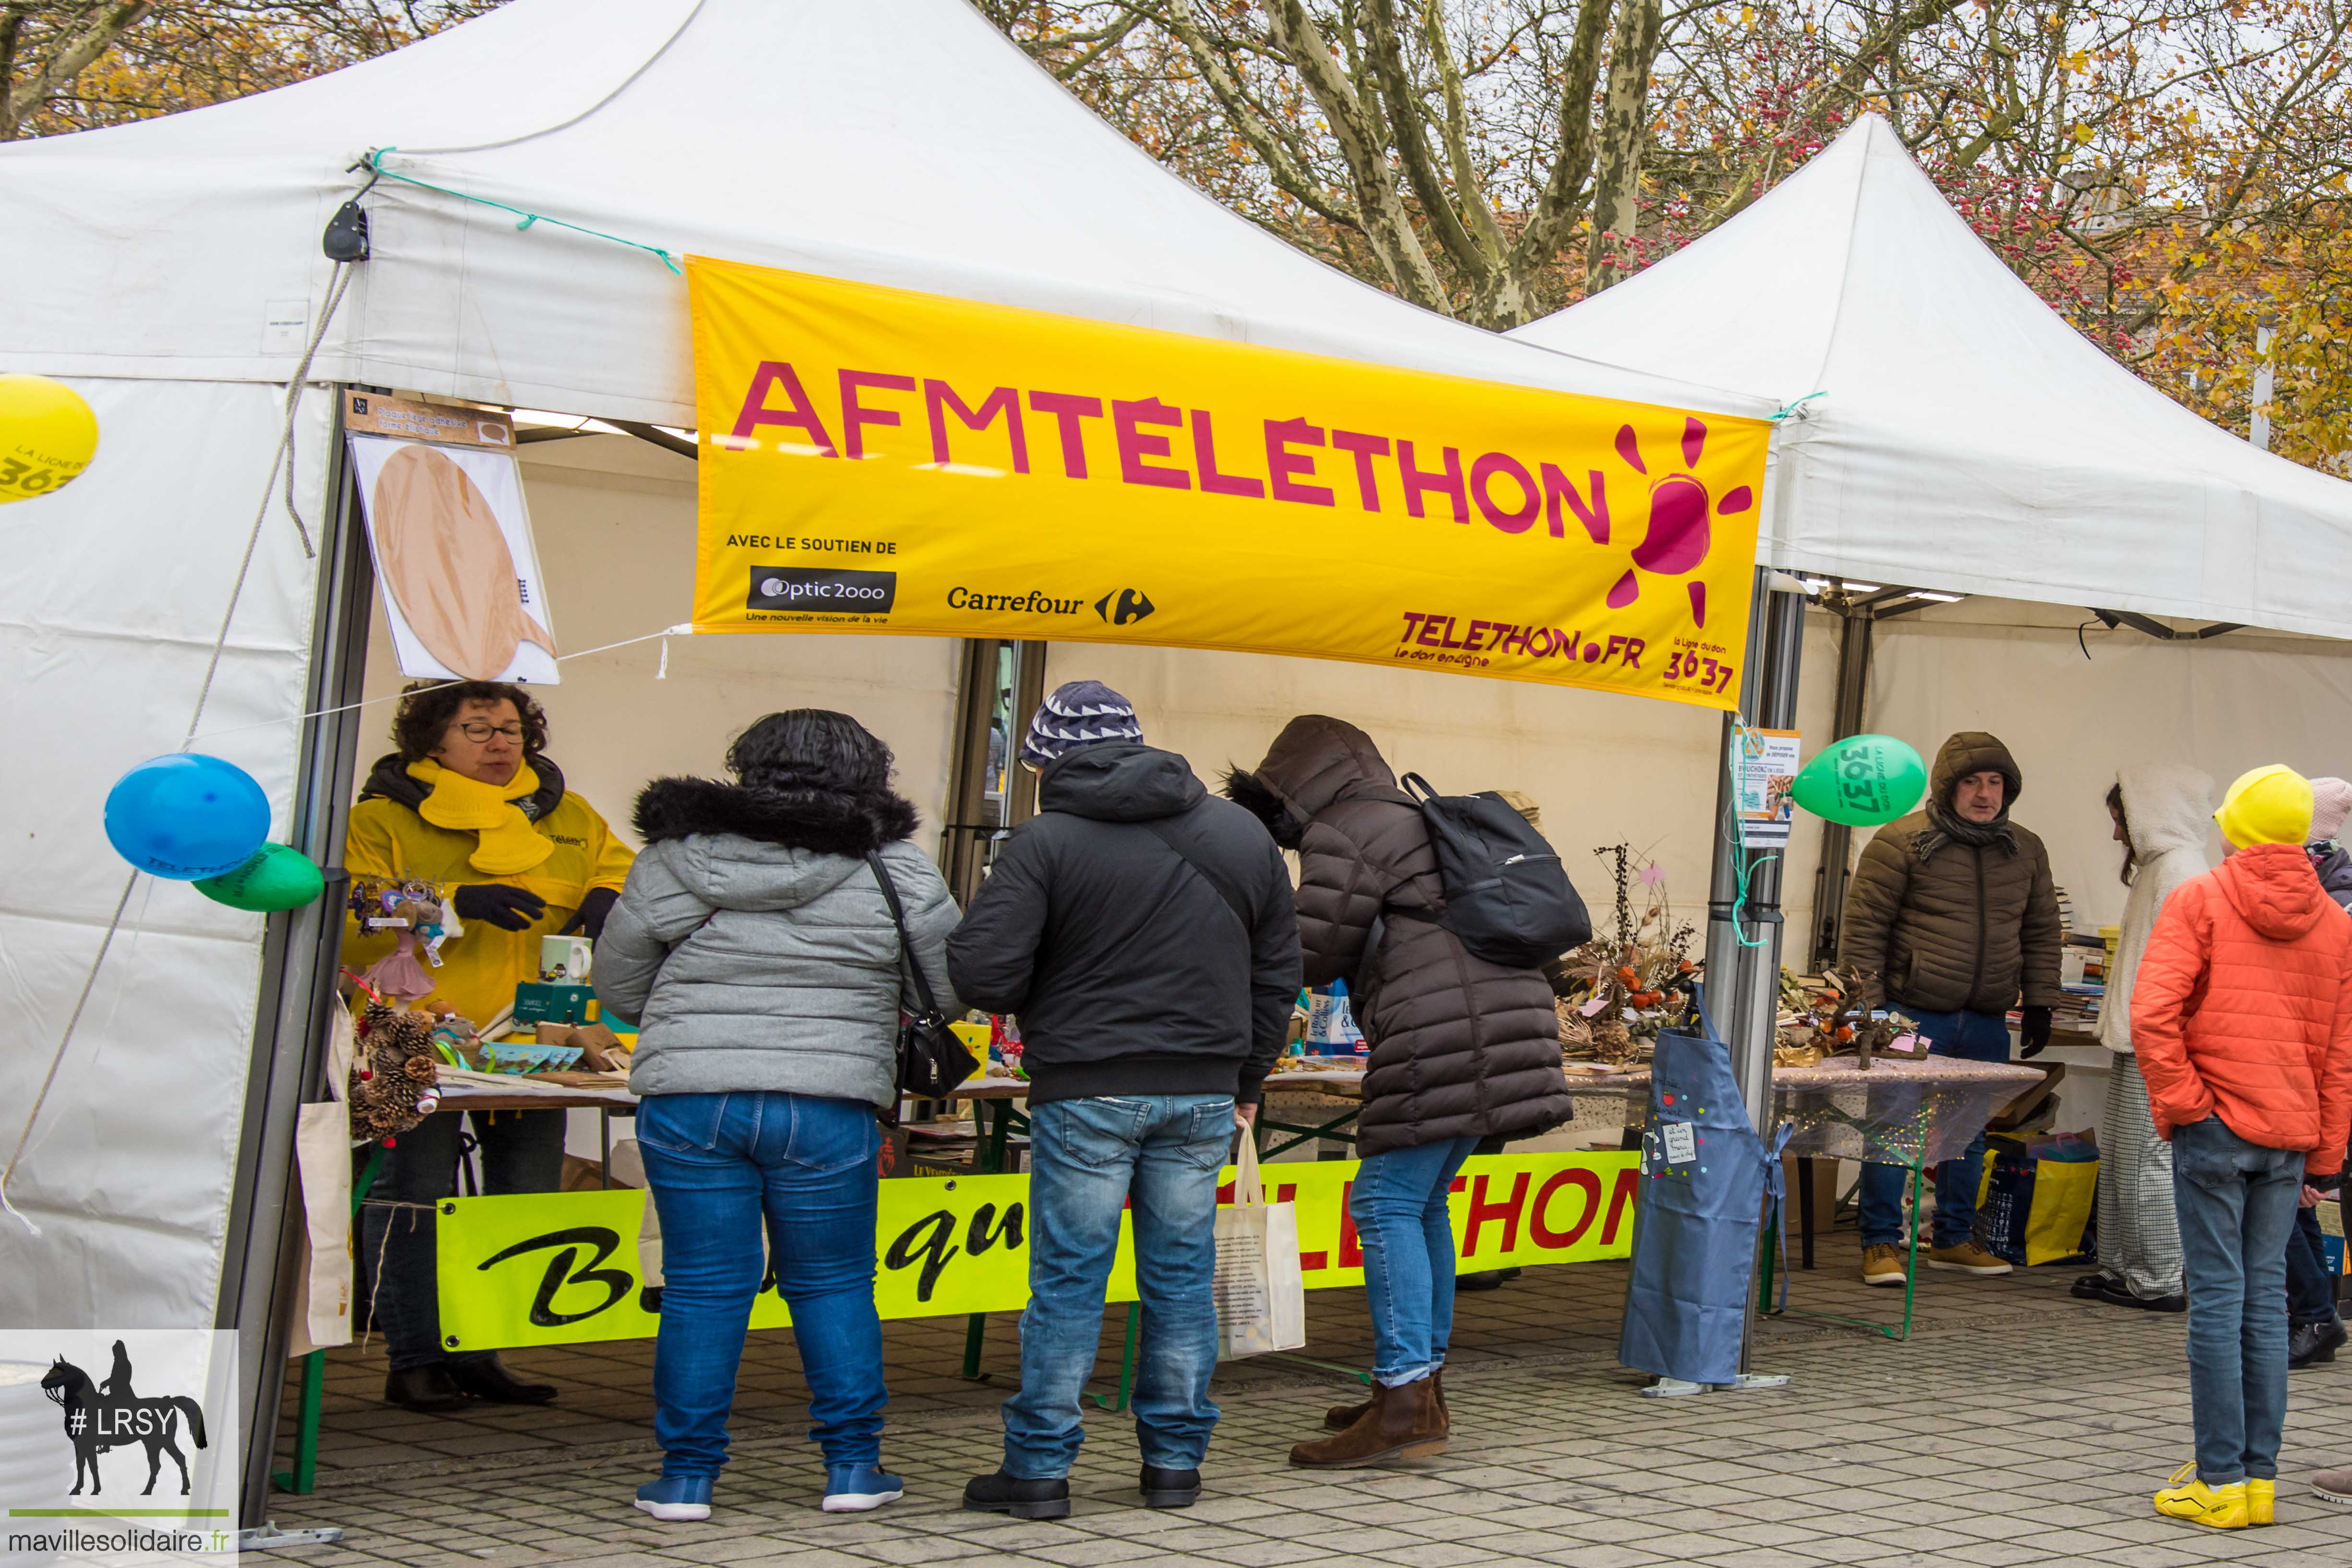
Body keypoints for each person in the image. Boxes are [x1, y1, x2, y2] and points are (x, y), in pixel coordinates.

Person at [593, 710, 958, 1522]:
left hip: (690, 1098)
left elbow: (617, 992)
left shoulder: (670, 860)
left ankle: (686, 1478)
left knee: (701, 1289)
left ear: (746, 768)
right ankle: (853, 1468)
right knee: (831, 1285)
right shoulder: (897, 869)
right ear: (870, 773)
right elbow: (947, 988)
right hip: (827, 1104)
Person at [947, 681, 1299, 1520]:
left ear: (1041, 760)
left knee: (1068, 1282)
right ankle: (1174, 1464)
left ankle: (1037, 1473)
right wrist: (1244, 1084)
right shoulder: (1239, 832)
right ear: (1140, 743)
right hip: (1201, 1091)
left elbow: (984, 975)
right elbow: (1277, 972)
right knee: (1177, 1282)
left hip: (1085, 1089)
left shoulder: (1043, 842)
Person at [1226, 716, 1573, 1469]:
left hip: (1443, 1032)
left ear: (1292, 784)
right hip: (1502, 1021)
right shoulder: (1417, 813)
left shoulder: (1345, 828)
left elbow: (1313, 949)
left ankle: (1403, 1398)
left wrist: (1251, 914)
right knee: (1420, 1204)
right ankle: (1419, 1386)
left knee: (1382, 1204)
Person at [345, 680, 634, 1413]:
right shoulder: (379, 817)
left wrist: (611, 896)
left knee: (520, 1199)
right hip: (402, 1035)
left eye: (510, 728)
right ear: (431, 743)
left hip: (537, 1038)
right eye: (477, 729)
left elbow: (627, 869)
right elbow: (347, 910)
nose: (501, 742)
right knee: (410, 1198)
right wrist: (446, 905)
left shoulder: (566, 813)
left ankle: (478, 1350)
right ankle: (412, 1357)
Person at [2135, 764, 2352, 1531]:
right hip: (2288, 1137)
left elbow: (2152, 1015)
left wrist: (2186, 1106)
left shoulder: (2199, 897)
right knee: (2264, 1306)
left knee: (2218, 1304)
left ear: (2234, 825)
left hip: (2216, 1131)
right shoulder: (2335, 922)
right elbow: (2337, 1057)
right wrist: (2324, 1160)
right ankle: (2254, 1481)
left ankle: (2218, 1479)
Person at [1838, 731, 2062, 1286]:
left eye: (1995, 783)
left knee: (1969, 1130)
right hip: (1912, 1012)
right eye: (1972, 782)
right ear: (1946, 786)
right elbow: (1864, 930)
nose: (1985, 794)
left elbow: (2041, 930)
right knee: (1892, 1126)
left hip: (1985, 1016)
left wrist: (2040, 1001)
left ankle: (1955, 1239)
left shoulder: (2026, 847)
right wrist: (1870, 1011)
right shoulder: (1900, 841)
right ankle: (1880, 1243)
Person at [2075, 765, 2211, 1313]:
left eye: (2120, 821)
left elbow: (2186, 971)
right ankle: (2124, 1265)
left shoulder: (2180, 872)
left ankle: (2155, 1276)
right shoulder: (2164, 868)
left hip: (2156, 1042)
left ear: (2147, 816)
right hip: (2141, 1037)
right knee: (2126, 1159)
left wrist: (2162, 1039)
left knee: (2146, 1162)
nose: (2115, 836)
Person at [2287, 776, 2352, 1367]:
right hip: (2302, 1072)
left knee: (2283, 1196)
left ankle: (2313, 1313)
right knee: (2292, 1199)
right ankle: (2315, 1315)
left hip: (2312, 1074)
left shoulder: (2329, 902)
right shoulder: (2329, 889)